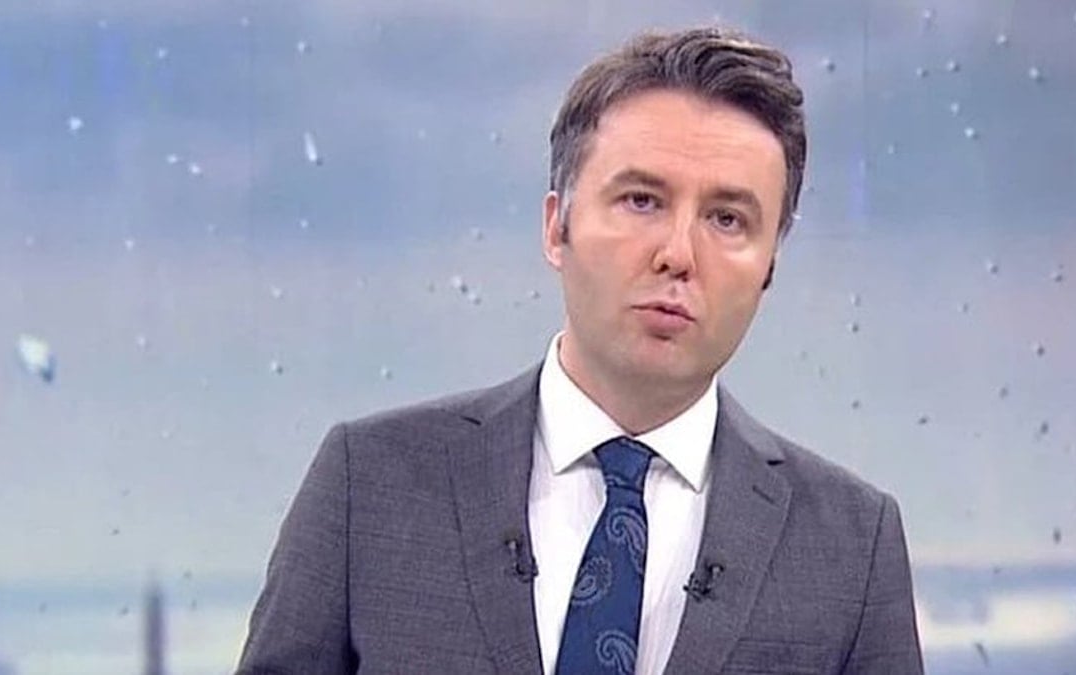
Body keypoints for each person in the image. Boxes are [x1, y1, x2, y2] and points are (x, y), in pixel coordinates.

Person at [237, 25, 924, 675]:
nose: (678, 254)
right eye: (642, 201)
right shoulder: (369, 484)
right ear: (556, 227)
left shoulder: (852, 545)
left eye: (727, 219)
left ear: (769, 265)